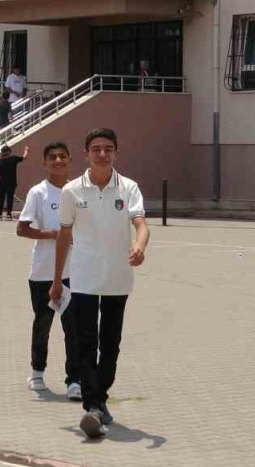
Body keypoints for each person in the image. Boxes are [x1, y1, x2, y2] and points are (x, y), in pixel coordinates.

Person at [52, 127, 150, 439]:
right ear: (86, 154)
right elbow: (64, 236)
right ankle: (93, 406)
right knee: (85, 343)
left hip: (117, 280)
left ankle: (99, 398)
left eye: (108, 148)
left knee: (110, 345)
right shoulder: (71, 191)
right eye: (96, 148)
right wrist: (57, 280)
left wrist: (139, 246)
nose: (102, 153)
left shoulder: (129, 187)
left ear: (116, 153)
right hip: (83, 280)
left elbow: (141, 224)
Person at [17, 141, 80, 401]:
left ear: (70, 159)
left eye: (62, 156)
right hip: (43, 273)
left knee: (74, 328)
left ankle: (74, 380)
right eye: (52, 157)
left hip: (75, 272)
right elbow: (22, 229)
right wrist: (52, 234)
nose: (58, 161)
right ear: (44, 162)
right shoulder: (38, 193)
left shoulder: (78, 191)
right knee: (43, 324)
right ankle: (37, 373)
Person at [0, 144, 29, 221]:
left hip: (2, 182)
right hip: (12, 182)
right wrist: (26, 150)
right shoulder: (13, 159)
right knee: (10, 198)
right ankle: (9, 214)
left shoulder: (0, 161)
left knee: (1, 198)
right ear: (9, 152)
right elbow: (24, 157)